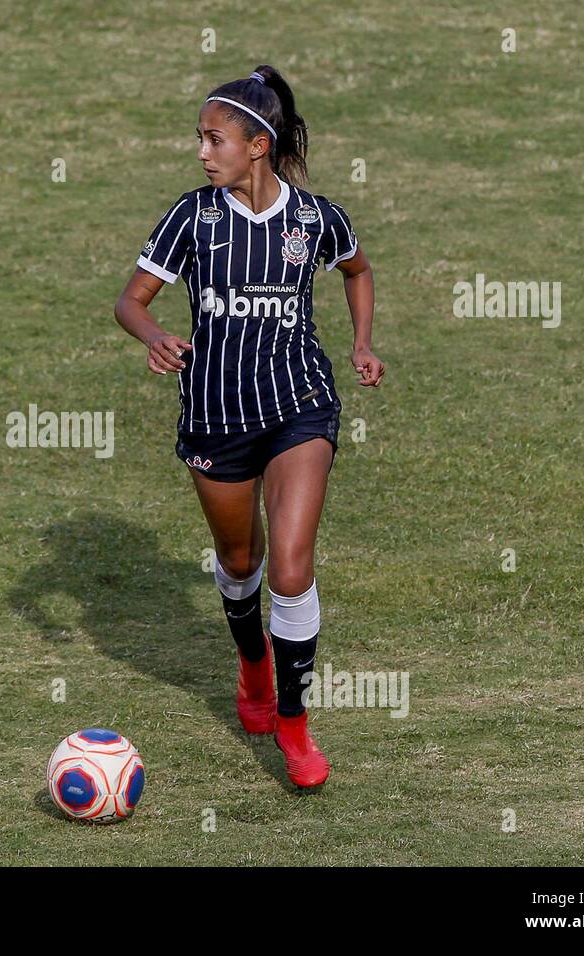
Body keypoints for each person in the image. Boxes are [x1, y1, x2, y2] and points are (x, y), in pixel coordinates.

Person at [113, 65, 385, 788]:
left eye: (215, 139)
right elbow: (131, 301)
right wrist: (155, 336)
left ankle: (295, 729)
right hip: (215, 415)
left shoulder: (315, 219)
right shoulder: (192, 218)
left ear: (258, 144)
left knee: (292, 570)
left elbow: (357, 270)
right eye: (200, 139)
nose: (203, 152)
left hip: (300, 404)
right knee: (241, 565)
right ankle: (252, 665)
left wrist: (360, 345)